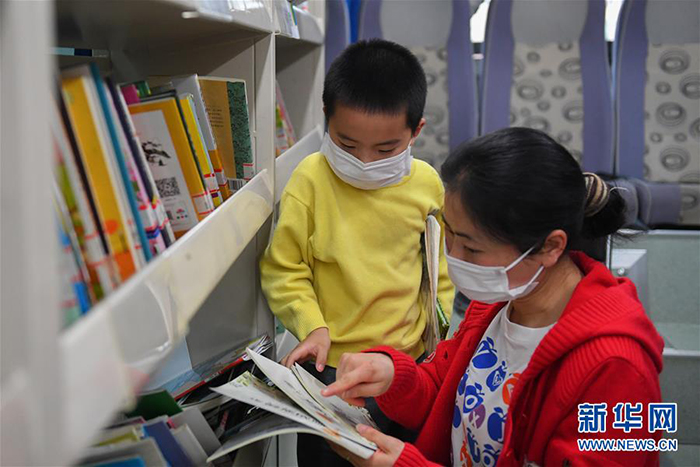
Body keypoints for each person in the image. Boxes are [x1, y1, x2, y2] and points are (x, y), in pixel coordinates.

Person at [323, 128, 664, 466]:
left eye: (472, 248)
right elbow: (446, 394)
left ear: (550, 246)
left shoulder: (616, 366)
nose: (454, 256)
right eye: (449, 234)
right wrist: (393, 377)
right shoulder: (498, 303)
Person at [260, 39, 455, 466]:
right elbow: (284, 268)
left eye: (385, 150)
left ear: (416, 131)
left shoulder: (426, 184)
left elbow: (438, 269)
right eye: (347, 145)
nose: (365, 162)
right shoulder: (310, 180)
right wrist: (311, 326)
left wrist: (439, 339)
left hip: (408, 367)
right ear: (326, 117)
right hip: (330, 370)